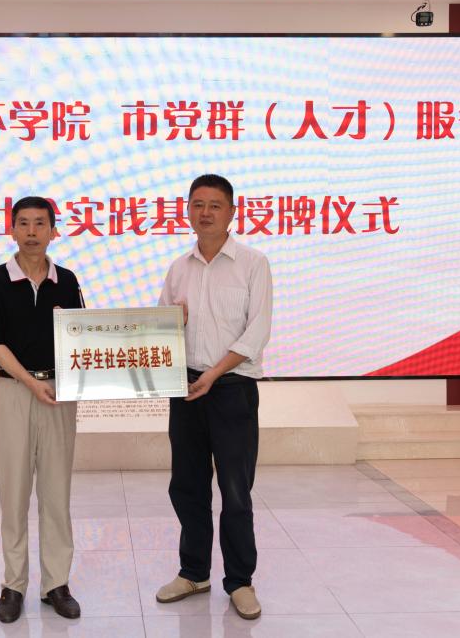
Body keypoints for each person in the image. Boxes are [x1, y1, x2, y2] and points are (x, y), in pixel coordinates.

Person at [155, 174, 273, 620]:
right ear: (187, 210)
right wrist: (174, 322)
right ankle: (194, 572)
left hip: (232, 388)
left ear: (232, 212)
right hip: (185, 387)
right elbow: (160, 330)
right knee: (186, 485)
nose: (205, 212)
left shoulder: (253, 263)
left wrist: (214, 374)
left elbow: (257, 331)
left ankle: (240, 581)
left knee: (235, 490)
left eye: (215, 205)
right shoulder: (178, 268)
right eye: (197, 204)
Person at [0, 196, 85, 624]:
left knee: (57, 492)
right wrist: (29, 382)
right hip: (14, 393)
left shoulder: (67, 280)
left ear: (54, 231)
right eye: (23, 223)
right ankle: (14, 584)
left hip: (60, 393)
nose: (32, 232)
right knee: (14, 491)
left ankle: (56, 584)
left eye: (40, 223)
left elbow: (83, 336)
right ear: (12, 229)